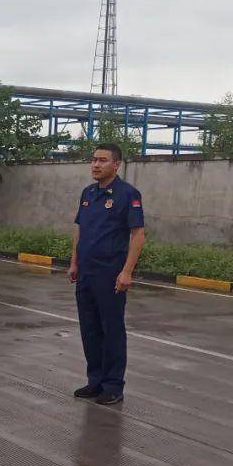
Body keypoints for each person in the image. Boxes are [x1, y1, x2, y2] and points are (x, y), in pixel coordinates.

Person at [68, 142, 145, 406]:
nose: (95, 165)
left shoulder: (128, 194)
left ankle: (113, 385)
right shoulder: (88, 193)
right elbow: (79, 229)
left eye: (102, 160)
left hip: (110, 274)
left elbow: (137, 235)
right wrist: (74, 262)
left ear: (116, 164)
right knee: (89, 329)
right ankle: (95, 381)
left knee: (111, 329)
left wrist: (126, 272)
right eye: (93, 160)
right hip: (86, 273)